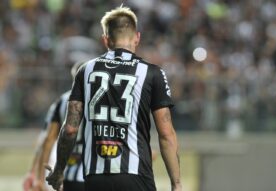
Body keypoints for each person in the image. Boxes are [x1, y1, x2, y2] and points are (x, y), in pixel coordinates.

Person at [46, 6, 182, 191]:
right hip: (136, 175)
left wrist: (59, 170)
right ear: (137, 37)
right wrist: (176, 183)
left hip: (95, 177)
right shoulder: (152, 73)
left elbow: (70, 129)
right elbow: (166, 134)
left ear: (106, 40)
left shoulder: (85, 70)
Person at [23, 62, 85, 191]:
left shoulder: (62, 100)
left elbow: (47, 140)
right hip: (95, 171)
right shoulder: (102, 100)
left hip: (66, 170)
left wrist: (37, 176)